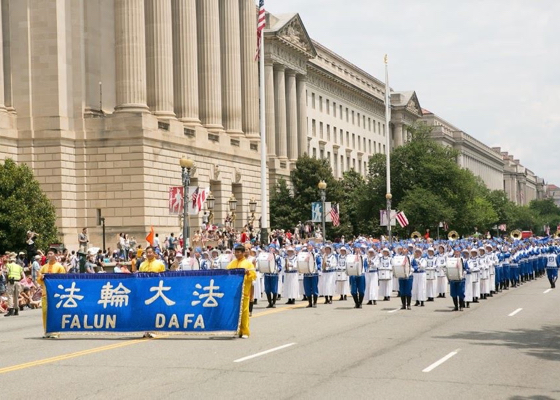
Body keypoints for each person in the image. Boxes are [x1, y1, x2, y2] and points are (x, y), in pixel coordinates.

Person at [226, 244, 256, 339]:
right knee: (235, 312)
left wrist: (248, 273)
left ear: (243, 253)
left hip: (244, 292)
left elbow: (254, 276)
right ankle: (237, 330)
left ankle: (245, 331)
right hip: (234, 292)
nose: (237, 254)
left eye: (239, 252)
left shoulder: (248, 263)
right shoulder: (232, 263)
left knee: (244, 312)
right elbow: (227, 275)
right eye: (235, 252)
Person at [37, 248, 67, 337]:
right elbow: (38, 280)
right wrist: (41, 278)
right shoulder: (43, 267)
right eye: (48, 254)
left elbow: (63, 280)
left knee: (55, 312)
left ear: (56, 255)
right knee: (45, 313)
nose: (49, 255)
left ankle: (56, 332)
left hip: (55, 294)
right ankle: (47, 331)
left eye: (51, 253)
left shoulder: (59, 267)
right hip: (45, 293)